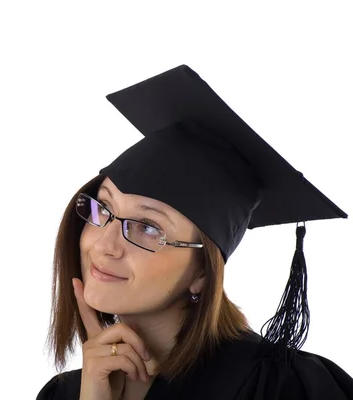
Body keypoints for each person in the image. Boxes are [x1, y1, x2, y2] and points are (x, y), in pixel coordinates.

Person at [36, 65, 353, 400]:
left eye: (147, 227)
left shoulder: (283, 388)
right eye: (103, 209)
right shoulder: (69, 393)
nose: (104, 244)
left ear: (202, 272)